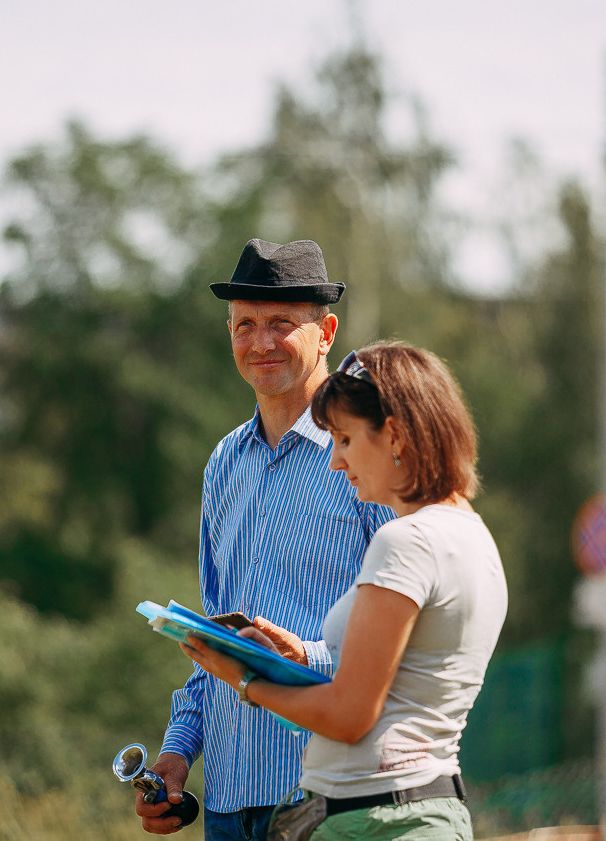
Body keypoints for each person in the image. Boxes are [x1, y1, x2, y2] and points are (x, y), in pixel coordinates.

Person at [180, 342, 508, 841]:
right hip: (418, 808)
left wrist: (246, 682)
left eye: (347, 440)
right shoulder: (472, 535)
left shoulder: (406, 540)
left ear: (394, 435)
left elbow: (351, 715)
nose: (335, 461)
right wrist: (301, 659)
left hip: (379, 818)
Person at [137, 239, 394, 841]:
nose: (260, 342)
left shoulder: (369, 456)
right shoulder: (223, 464)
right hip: (228, 802)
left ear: (327, 332)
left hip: (326, 794)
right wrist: (178, 752)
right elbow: (216, 636)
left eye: (281, 323)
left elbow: (399, 645)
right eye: (244, 324)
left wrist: (301, 656)